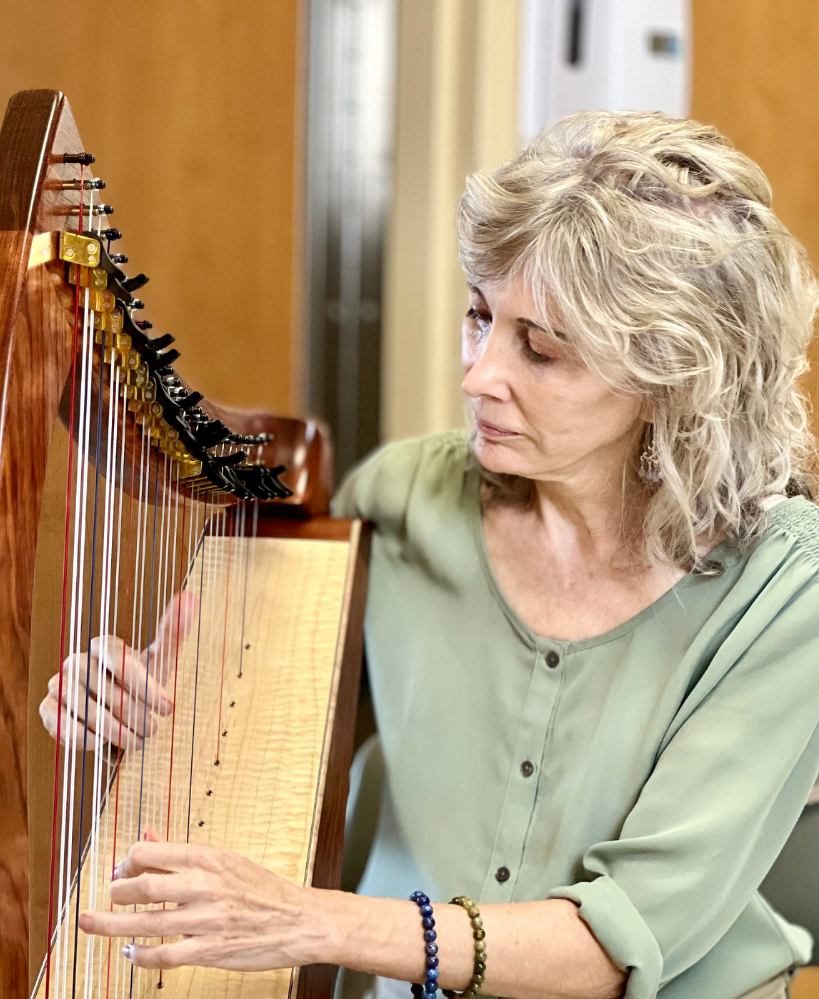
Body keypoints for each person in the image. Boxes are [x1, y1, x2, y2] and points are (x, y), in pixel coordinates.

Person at [41, 111, 819, 999]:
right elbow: (249, 731)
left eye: (542, 349)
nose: (480, 375)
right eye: (480, 318)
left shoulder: (786, 591)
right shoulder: (404, 500)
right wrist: (136, 706)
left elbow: (616, 941)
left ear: (672, 378)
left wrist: (312, 919)